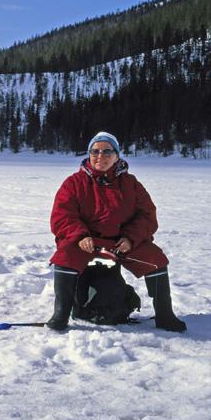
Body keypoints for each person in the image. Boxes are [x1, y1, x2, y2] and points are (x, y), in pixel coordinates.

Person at [47, 131, 186, 333]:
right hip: (87, 241)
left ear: (117, 156)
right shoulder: (74, 183)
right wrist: (80, 236)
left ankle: (165, 315)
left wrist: (130, 238)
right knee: (65, 255)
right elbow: (62, 216)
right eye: (95, 151)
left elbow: (147, 216)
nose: (100, 156)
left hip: (122, 242)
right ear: (88, 154)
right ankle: (60, 314)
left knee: (155, 260)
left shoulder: (131, 184)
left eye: (107, 151)